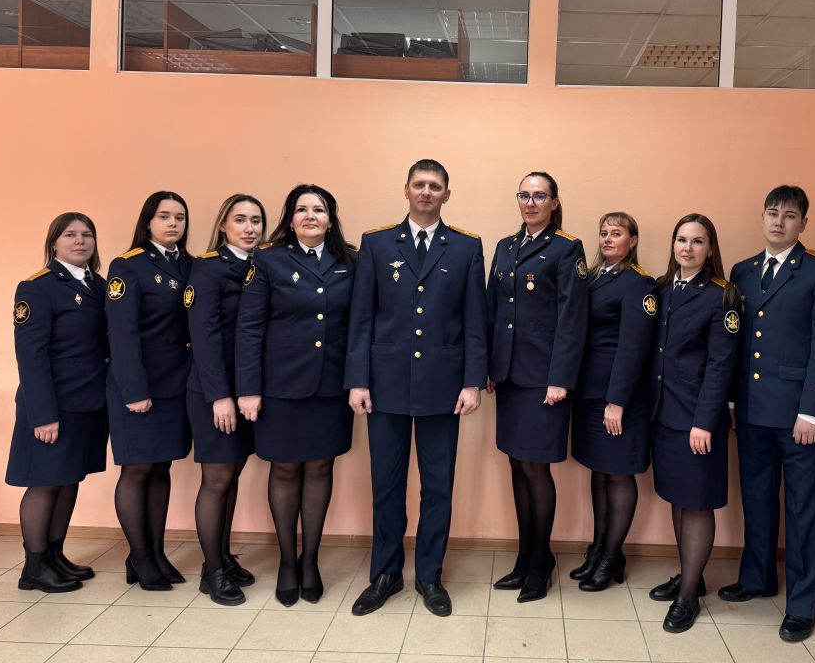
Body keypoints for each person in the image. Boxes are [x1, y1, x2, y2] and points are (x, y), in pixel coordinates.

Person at [346, 159, 488, 617]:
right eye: (419, 184)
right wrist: (358, 379)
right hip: (384, 384)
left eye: (435, 186)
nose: (427, 191)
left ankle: (429, 575)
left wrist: (472, 382)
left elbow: (475, 321)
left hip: (443, 387)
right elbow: (361, 318)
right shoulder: (376, 242)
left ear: (447, 194)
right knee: (386, 485)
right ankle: (385, 574)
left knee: (438, 486)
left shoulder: (466, 246)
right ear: (406, 190)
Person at [718, 185, 815, 642]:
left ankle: (804, 604)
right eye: (772, 213)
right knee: (756, 497)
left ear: (803, 223)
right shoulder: (743, 271)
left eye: (789, 215)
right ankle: (757, 577)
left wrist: (813, 410)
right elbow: (737, 343)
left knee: (804, 508)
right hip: (752, 408)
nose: (778, 222)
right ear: (762, 217)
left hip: (798, 414)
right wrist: (732, 400)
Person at [235, 184, 357, 607]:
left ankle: (311, 561)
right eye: (302, 209)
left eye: (319, 210)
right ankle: (288, 561)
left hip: (331, 386)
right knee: (285, 470)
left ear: (330, 220)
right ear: (290, 219)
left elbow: (359, 324)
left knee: (321, 468)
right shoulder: (268, 260)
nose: (310, 216)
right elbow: (249, 328)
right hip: (281, 388)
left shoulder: (351, 261)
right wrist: (248, 389)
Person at [487, 171, 588, 602]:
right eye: (524, 195)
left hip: (545, 380)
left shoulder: (567, 248)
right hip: (510, 376)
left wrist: (560, 378)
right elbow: (493, 309)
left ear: (554, 202)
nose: (530, 203)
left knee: (535, 468)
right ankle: (525, 557)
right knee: (516, 464)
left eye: (539, 196)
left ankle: (541, 560)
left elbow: (572, 318)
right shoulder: (505, 247)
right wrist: (489, 366)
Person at [7, 213, 110, 593]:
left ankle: (54, 556)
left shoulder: (98, 285)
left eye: (87, 235)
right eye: (70, 235)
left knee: (68, 481)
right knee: (45, 483)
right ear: (54, 242)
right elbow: (31, 356)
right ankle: (34, 567)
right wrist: (43, 415)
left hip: (88, 402)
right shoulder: (38, 287)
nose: (80, 241)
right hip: (53, 405)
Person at [647, 213, 740, 633]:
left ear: (710, 248)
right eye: (681, 239)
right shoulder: (663, 289)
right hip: (664, 412)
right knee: (678, 497)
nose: (687, 247)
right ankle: (691, 574)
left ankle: (688, 597)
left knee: (697, 502)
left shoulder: (722, 296)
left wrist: (704, 422)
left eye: (697, 241)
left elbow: (721, 365)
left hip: (698, 419)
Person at [105, 191, 194, 591]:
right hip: (139, 386)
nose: (173, 223)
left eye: (179, 217)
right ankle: (140, 557)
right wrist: (134, 390)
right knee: (137, 469)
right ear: (148, 222)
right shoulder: (128, 266)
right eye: (164, 216)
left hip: (176, 384)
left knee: (161, 468)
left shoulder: (189, 265)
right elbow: (122, 335)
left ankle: (155, 553)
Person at [569, 212, 657, 591]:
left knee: (618, 473)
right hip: (590, 393)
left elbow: (633, 348)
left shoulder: (639, 284)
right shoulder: (591, 277)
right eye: (603, 232)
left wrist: (616, 401)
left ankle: (611, 556)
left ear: (632, 241)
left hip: (618, 397)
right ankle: (598, 548)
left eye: (616, 233)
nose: (607, 238)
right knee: (600, 470)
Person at [185, 194, 266, 605]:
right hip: (214, 390)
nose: (249, 228)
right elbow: (204, 336)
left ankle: (222, 556)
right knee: (216, 479)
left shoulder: (261, 265)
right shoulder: (208, 267)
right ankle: (211, 570)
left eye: (256, 220)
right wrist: (219, 397)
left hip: (247, 388)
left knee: (232, 474)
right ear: (223, 226)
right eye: (240, 220)